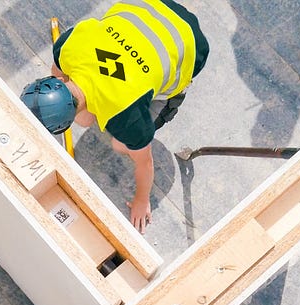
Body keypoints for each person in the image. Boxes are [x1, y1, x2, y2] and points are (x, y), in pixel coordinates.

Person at [20, 1, 209, 233]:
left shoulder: (126, 118)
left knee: (121, 145)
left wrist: (142, 200)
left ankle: (173, 92)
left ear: (67, 122)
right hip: (151, 6)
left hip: (191, 45)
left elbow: (145, 163)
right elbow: (57, 71)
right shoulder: (67, 47)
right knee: (92, 118)